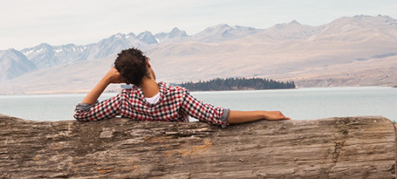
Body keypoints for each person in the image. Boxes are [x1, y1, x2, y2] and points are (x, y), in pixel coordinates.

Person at [74, 48, 289, 126]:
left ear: (126, 80)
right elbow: (217, 116)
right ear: (148, 63)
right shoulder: (177, 96)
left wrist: (106, 79)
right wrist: (264, 113)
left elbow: (81, 114)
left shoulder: (124, 101)